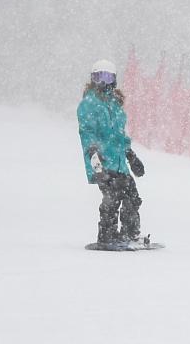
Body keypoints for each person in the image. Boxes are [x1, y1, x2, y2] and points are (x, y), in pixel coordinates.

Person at [77, 59, 146, 246]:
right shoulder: (89, 104)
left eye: (107, 77)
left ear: (114, 80)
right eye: (99, 77)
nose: (103, 82)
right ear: (92, 79)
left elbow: (119, 136)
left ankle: (129, 233)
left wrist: (131, 156)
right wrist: (95, 158)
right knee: (112, 197)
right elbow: (87, 132)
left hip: (119, 163)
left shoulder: (115, 105)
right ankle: (107, 235)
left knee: (132, 196)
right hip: (102, 162)